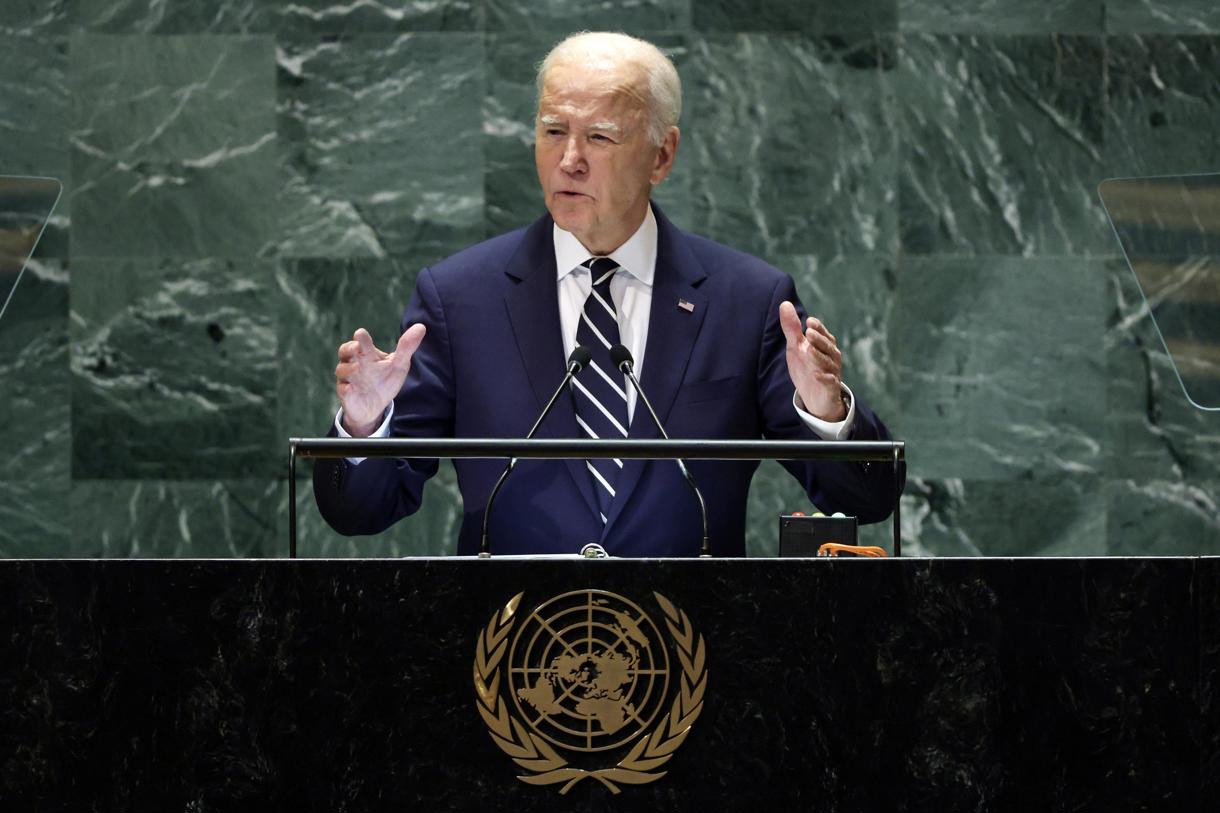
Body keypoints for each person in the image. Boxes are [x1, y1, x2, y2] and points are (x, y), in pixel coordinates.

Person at [313, 32, 902, 556]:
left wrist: (827, 414)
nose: (569, 160)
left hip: (692, 648)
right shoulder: (460, 298)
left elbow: (869, 499)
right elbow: (362, 512)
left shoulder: (746, 301)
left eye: (599, 137)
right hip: (509, 645)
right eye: (552, 132)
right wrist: (364, 427)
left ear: (661, 156)